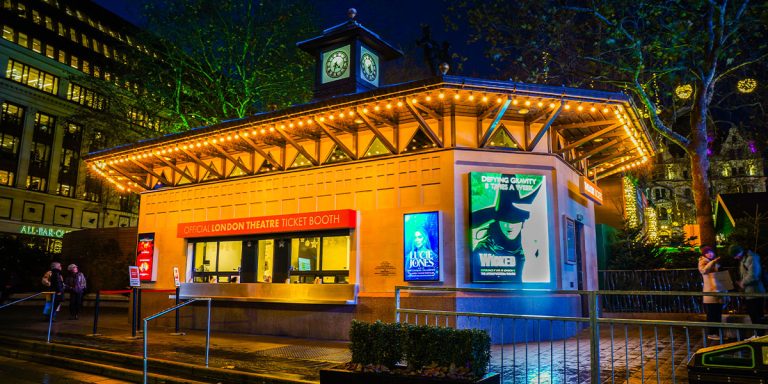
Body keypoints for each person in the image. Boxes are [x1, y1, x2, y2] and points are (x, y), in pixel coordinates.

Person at [730, 244, 765, 336]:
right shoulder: (743, 259)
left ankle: (760, 335)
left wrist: (742, 283)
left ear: (740, 252)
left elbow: (754, 275)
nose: (735, 258)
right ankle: (758, 334)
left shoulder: (751, 258)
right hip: (749, 292)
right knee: (753, 314)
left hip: (755, 291)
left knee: (757, 314)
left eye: (735, 255)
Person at [698, 246, 725, 340]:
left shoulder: (714, 262)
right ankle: (712, 333)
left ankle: (717, 333)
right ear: (704, 254)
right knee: (712, 313)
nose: (710, 254)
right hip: (710, 291)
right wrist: (713, 262)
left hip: (718, 290)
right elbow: (704, 270)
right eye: (707, 253)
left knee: (717, 313)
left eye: (711, 252)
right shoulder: (703, 262)